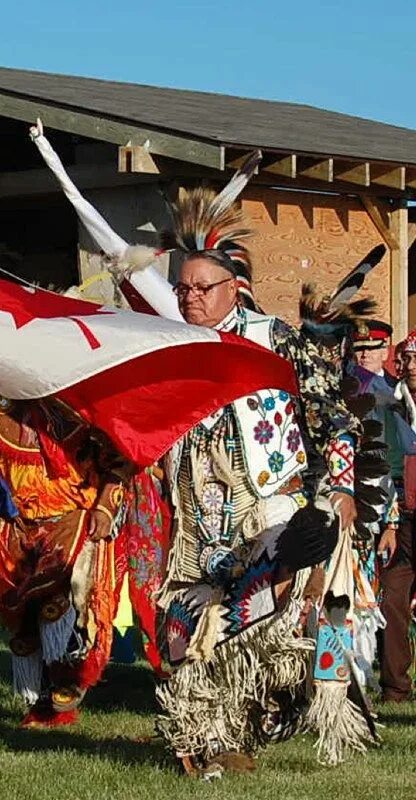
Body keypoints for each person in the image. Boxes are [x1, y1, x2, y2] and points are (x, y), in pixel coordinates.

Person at [150, 161, 367, 775]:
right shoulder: (167, 348)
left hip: (269, 509)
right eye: (183, 289)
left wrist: (339, 490)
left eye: (203, 288)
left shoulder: (273, 340)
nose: (190, 298)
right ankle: (207, 739)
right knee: (188, 632)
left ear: (234, 287)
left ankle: (247, 728)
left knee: (259, 624)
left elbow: (334, 417)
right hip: (195, 521)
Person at [0, 396, 132, 726]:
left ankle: (65, 684)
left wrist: (106, 507)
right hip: (18, 523)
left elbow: (123, 458)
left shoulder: (87, 404)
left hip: (73, 516)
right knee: (23, 618)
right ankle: (43, 698)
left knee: (58, 605)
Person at [378, 329, 416, 701]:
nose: (410, 366)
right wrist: (390, 520)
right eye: (406, 359)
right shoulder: (392, 403)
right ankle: (395, 687)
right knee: (392, 598)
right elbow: (389, 460)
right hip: (402, 515)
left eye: (415, 359)